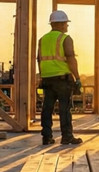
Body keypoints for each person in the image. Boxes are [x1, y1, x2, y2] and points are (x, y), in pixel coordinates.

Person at [36, 10, 83, 146]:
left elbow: (39, 60)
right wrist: (77, 77)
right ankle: (67, 136)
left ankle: (46, 137)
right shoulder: (65, 39)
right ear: (61, 24)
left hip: (47, 79)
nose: (67, 27)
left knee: (47, 109)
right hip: (62, 79)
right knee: (64, 109)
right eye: (66, 24)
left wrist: (42, 76)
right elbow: (70, 59)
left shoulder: (42, 40)